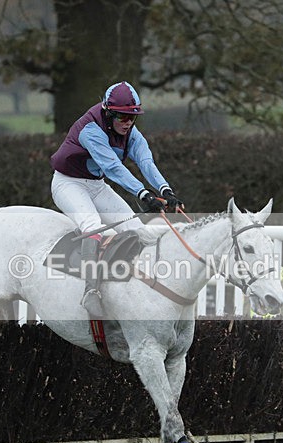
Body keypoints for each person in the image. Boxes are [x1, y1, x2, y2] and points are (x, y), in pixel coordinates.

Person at [50, 81, 184, 317]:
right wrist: (143, 194)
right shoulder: (91, 130)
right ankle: (90, 292)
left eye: (132, 117)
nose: (127, 123)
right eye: (122, 117)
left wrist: (166, 190)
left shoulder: (130, 131)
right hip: (68, 183)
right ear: (108, 113)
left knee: (137, 230)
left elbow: (146, 162)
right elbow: (113, 168)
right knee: (93, 226)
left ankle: (136, 288)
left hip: (96, 186)